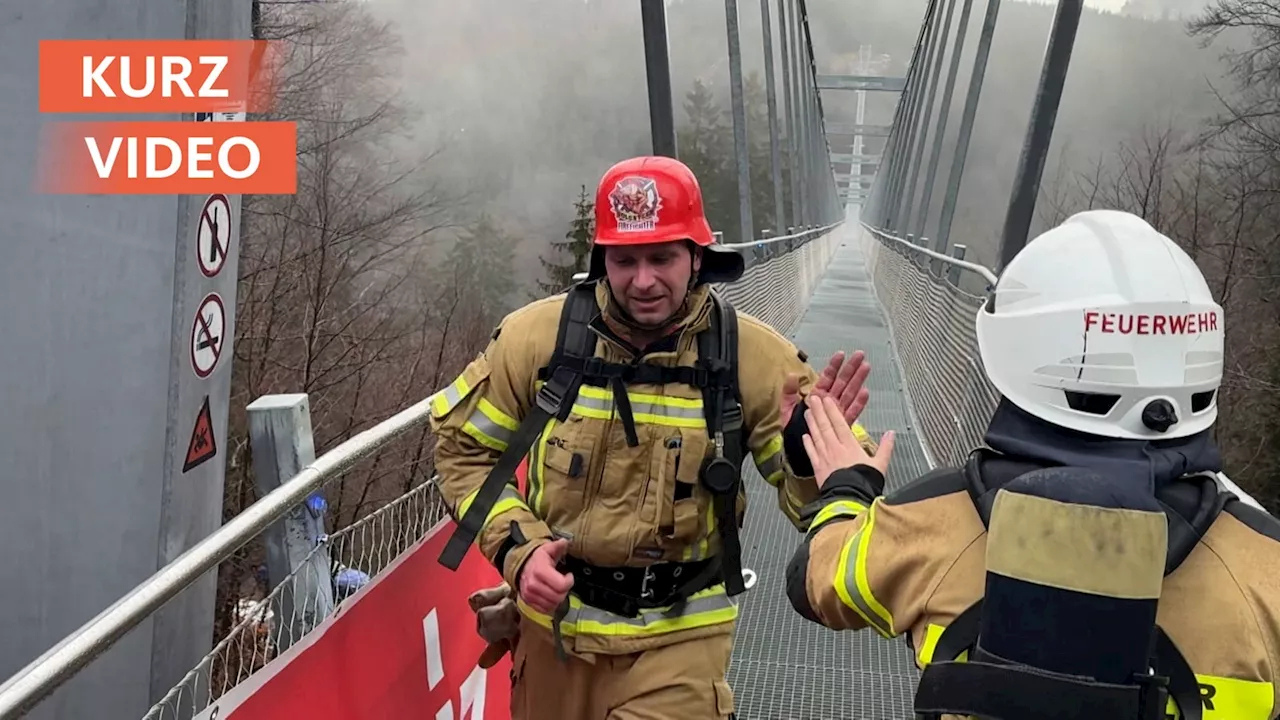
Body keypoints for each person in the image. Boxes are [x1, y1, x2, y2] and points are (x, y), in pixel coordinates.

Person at [429, 155, 880, 720]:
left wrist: (804, 455)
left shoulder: (755, 359)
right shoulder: (536, 342)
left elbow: (832, 510)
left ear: (697, 257)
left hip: (681, 640)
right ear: (602, 261)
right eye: (625, 260)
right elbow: (463, 454)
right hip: (554, 634)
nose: (643, 281)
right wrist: (518, 550)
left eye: (662, 257)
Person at [786, 209, 1280, 720]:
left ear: (1014, 352)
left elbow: (815, 584)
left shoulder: (928, 526)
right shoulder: (1265, 568)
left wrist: (848, 487)